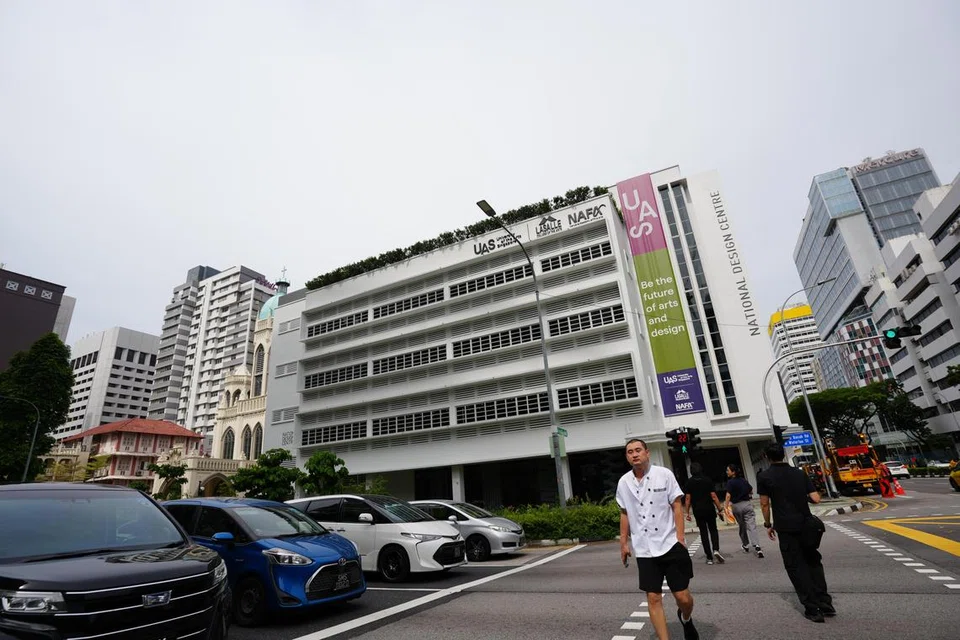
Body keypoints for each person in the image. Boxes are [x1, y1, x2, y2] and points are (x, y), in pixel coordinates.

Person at [618, 438, 699, 640]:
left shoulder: (664, 475)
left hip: (670, 544)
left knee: (683, 597)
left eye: (638, 450)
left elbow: (677, 506)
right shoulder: (623, 482)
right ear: (627, 457)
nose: (634, 454)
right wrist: (623, 543)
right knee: (653, 598)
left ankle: (686, 618)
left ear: (647, 452)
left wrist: (680, 538)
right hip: (644, 549)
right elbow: (624, 513)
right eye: (630, 452)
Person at [758, 443, 834, 623]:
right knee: (813, 562)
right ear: (784, 455)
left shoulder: (765, 476)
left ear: (767, 457)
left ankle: (812, 608)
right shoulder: (800, 473)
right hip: (807, 525)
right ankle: (825, 603)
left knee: (795, 567)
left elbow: (764, 504)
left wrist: (768, 523)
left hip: (785, 527)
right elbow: (815, 498)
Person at [683, 462, 725, 565]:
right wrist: (719, 508)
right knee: (713, 530)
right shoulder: (707, 480)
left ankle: (709, 557)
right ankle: (716, 549)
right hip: (709, 509)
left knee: (703, 532)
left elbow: (688, 499)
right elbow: (713, 496)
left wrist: (687, 513)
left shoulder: (689, 482)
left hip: (698, 510)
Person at [723, 464, 763, 558]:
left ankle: (745, 545)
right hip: (747, 504)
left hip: (736, 506)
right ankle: (756, 545)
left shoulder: (730, 483)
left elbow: (728, 496)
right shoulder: (743, 480)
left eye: (728, 470)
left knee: (742, 525)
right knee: (751, 525)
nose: (727, 472)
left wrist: (725, 506)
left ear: (733, 472)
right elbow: (751, 490)